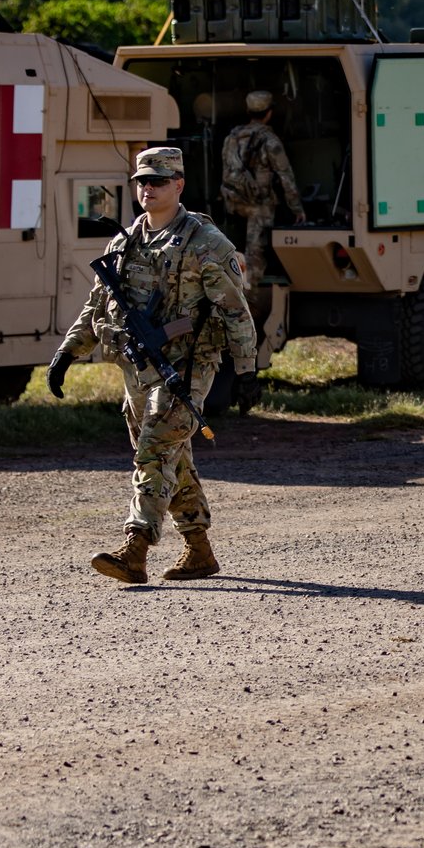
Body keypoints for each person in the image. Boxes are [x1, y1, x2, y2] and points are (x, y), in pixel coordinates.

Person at [48, 146, 260, 585]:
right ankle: (199, 552)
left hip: (186, 368)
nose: (148, 188)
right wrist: (67, 353)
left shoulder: (205, 243)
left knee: (154, 451)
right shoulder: (124, 243)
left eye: (158, 181)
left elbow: (236, 310)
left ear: (178, 185)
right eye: (142, 181)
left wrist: (246, 370)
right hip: (138, 370)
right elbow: (96, 306)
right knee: (171, 457)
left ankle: (135, 548)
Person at [220, 89, 307, 286]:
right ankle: (248, 299)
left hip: (233, 201)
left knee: (231, 248)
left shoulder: (232, 137)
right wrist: (297, 209)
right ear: (269, 112)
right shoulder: (270, 140)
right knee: (255, 255)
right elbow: (286, 177)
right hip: (258, 204)